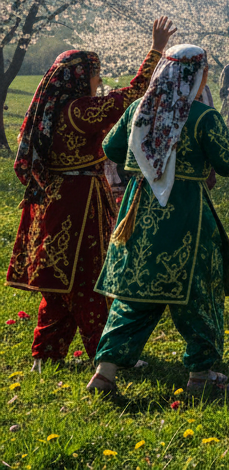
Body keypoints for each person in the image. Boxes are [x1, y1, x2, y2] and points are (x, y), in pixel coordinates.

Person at [87, 45, 229, 395]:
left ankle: (105, 372)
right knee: (197, 293)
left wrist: (147, 166)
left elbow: (112, 149)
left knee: (136, 293)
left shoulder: (136, 111)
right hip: (187, 213)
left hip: (140, 211)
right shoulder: (203, 117)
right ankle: (200, 376)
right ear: (198, 76)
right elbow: (227, 164)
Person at [7, 19, 171, 371]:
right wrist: (155, 52)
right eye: (95, 74)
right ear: (81, 77)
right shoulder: (79, 110)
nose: (98, 81)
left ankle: (45, 354)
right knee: (89, 278)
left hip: (58, 197)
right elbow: (128, 98)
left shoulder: (51, 112)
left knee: (60, 281)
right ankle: (108, 354)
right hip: (80, 202)